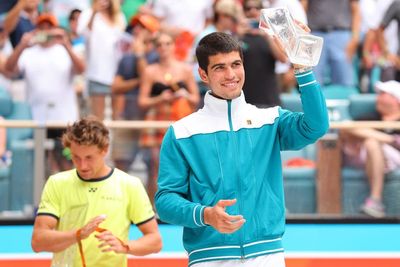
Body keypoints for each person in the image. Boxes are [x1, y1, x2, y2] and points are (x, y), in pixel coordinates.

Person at [155, 31, 329, 266]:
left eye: (236, 64)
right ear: (203, 74)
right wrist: (205, 215)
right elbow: (165, 202)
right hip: (209, 258)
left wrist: (302, 69)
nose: (230, 75)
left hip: (267, 256)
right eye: (219, 68)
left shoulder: (269, 119)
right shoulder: (181, 132)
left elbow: (316, 126)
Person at [31, 116, 162, 266]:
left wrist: (125, 246)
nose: (83, 165)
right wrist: (78, 234)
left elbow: (155, 241)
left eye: (89, 157)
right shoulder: (57, 183)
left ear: (104, 150)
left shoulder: (129, 184)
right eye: (76, 157)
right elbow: (38, 241)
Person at [5, 13, 84, 174]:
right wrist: (21, 45)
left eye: (50, 27)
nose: (46, 31)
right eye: (42, 27)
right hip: (37, 119)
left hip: (64, 119)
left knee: (67, 162)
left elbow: (81, 69)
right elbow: (9, 69)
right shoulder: (28, 52)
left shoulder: (64, 50)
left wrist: (66, 44)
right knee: (43, 165)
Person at [138, 31, 199, 205]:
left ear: (173, 46)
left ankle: (182, 204)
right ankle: (154, 207)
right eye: (159, 45)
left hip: (179, 118)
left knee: (183, 164)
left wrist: (184, 94)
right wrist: (160, 98)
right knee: (155, 164)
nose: (163, 48)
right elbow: (142, 101)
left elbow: (196, 99)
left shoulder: (185, 69)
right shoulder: (150, 71)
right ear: (155, 48)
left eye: (167, 44)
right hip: (156, 119)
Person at [340, 80, 400, 218]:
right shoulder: (370, 118)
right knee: (371, 143)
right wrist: (389, 139)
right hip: (366, 157)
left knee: (371, 142)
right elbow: (346, 127)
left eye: (383, 94)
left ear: (397, 100)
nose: (378, 97)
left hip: (395, 159)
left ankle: (375, 200)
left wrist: (372, 136)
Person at [77, 0, 126, 120]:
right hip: (97, 73)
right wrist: (94, 12)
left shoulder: (119, 16)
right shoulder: (87, 13)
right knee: (97, 119)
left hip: (117, 74)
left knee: (117, 118)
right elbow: (83, 33)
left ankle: (115, 139)